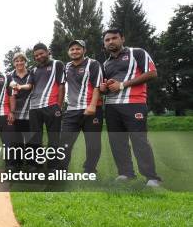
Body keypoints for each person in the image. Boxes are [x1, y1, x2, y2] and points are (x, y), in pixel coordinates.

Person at [100, 29, 162, 187]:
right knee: (117, 142)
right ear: (104, 43)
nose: (111, 42)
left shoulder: (137, 53)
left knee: (139, 140)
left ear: (122, 38)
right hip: (112, 106)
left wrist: (123, 84)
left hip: (134, 103)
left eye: (114, 38)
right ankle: (126, 173)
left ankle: (152, 177)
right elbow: (109, 86)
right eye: (107, 40)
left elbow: (152, 73)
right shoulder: (106, 63)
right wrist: (104, 87)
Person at [15, 43, 65, 171]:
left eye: (41, 53)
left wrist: (59, 106)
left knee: (53, 137)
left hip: (51, 106)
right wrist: (19, 87)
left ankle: (53, 166)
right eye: (36, 55)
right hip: (34, 108)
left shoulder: (57, 64)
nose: (39, 56)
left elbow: (61, 85)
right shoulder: (34, 69)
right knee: (35, 138)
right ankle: (36, 164)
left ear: (48, 52)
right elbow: (30, 86)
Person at [60, 40, 103, 173]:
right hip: (72, 110)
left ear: (84, 50)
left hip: (91, 110)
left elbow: (97, 86)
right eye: (72, 49)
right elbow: (60, 85)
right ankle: (62, 169)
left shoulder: (93, 64)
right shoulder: (66, 66)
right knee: (64, 142)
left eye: (78, 49)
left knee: (93, 144)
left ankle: (90, 170)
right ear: (68, 52)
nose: (75, 51)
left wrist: (92, 105)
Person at [7, 52, 32, 170]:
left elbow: (32, 86)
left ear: (25, 61)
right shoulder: (9, 75)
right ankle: (17, 163)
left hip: (30, 111)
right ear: (13, 63)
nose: (19, 63)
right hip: (15, 111)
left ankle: (32, 164)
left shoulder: (32, 73)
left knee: (31, 139)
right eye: (16, 61)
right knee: (16, 140)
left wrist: (20, 87)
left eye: (21, 60)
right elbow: (8, 92)